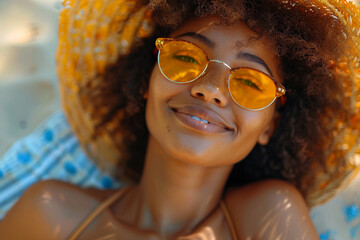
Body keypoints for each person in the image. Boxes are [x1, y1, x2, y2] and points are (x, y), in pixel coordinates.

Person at [0, 0, 359, 239]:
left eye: (251, 82)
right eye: (185, 57)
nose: (211, 90)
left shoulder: (268, 213)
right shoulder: (51, 215)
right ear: (147, 80)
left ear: (270, 125)